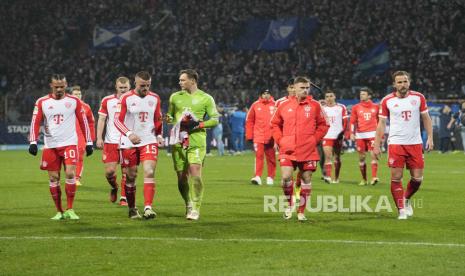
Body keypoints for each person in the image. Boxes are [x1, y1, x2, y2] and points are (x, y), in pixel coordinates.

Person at [28, 74, 93, 220]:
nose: (59, 89)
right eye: (56, 87)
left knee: (70, 174)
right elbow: (35, 122)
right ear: (51, 85)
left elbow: (83, 122)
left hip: (69, 143)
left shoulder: (74, 101)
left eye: (62, 87)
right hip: (51, 146)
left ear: (66, 85)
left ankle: (70, 208)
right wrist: (33, 142)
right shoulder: (42, 102)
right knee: (54, 178)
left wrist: (89, 142)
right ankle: (59, 211)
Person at [373, 71, 433, 220]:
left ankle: (406, 198)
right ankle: (401, 210)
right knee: (396, 177)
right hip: (396, 144)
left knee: (417, 179)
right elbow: (381, 123)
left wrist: (430, 137)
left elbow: (426, 118)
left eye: (405, 81)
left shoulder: (418, 97)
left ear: (409, 82)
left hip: (415, 143)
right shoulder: (387, 100)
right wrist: (376, 144)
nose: (402, 84)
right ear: (394, 84)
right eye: (399, 82)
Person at [271, 76, 329, 221]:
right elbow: (275, 124)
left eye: (307, 88)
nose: (305, 90)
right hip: (288, 147)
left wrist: (314, 139)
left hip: (308, 148)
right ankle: (289, 205)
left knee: (306, 178)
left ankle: (301, 211)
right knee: (285, 177)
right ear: (294, 88)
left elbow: (324, 125)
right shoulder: (283, 105)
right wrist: (280, 140)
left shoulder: (315, 105)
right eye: (302, 88)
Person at [166, 69, 219, 220]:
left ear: (193, 81)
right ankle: (188, 203)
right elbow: (170, 115)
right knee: (182, 178)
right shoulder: (175, 97)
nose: (180, 82)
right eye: (180, 80)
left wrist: (198, 124)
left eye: (183, 80)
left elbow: (215, 119)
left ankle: (196, 208)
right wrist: (169, 119)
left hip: (197, 141)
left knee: (195, 174)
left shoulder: (206, 98)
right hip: (178, 141)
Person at [114, 71, 163, 219]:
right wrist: (129, 134)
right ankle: (132, 208)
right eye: (142, 85)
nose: (145, 88)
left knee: (149, 171)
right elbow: (117, 121)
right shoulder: (126, 98)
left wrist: (159, 135)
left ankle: (148, 207)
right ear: (135, 83)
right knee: (131, 176)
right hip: (129, 142)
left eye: (148, 85)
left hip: (148, 140)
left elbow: (158, 118)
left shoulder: (154, 98)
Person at [96, 77, 130, 205]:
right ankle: (114, 187)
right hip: (111, 141)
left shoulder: (134, 100)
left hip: (128, 141)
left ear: (129, 87)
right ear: (116, 87)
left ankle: (123, 197)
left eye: (125, 88)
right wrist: (99, 137)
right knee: (109, 172)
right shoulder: (107, 100)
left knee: (126, 171)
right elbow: (102, 119)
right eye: (120, 88)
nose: (123, 90)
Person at [349, 87, 380, 185]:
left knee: (373, 155)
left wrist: (380, 135)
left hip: (372, 134)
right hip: (360, 135)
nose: (361, 95)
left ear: (369, 96)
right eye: (361, 94)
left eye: (363, 94)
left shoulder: (376, 107)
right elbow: (352, 122)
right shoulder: (356, 107)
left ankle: (374, 177)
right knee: (362, 158)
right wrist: (351, 133)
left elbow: (380, 122)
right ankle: (364, 179)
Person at [246, 89, 276, 186]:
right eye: (264, 93)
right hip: (258, 136)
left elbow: (279, 121)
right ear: (261, 94)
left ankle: (270, 177)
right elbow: (249, 120)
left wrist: (277, 137)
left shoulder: (275, 105)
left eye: (268, 93)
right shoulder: (255, 105)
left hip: (271, 137)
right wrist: (249, 135)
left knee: (271, 158)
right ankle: (257, 176)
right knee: (259, 156)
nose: (266, 95)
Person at [71, 86, 95, 186]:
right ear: (71, 95)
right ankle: (68, 175)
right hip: (68, 134)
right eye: (75, 94)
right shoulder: (66, 106)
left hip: (81, 135)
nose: (77, 96)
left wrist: (91, 139)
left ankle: (77, 178)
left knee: (80, 155)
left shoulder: (86, 107)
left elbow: (91, 123)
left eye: (79, 94)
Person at [321, 89, 348, 184]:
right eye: (327, 97)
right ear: (325, 98)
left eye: (331, 96)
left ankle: (336, 177)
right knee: (328, 157)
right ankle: (328, 177)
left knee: (337, 157)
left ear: (335, 97)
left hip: (338, 136)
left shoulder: (341, 107)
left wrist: (342, 134)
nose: (329, 98)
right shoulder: (322, 108)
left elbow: (345, 122)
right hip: (327, 136)